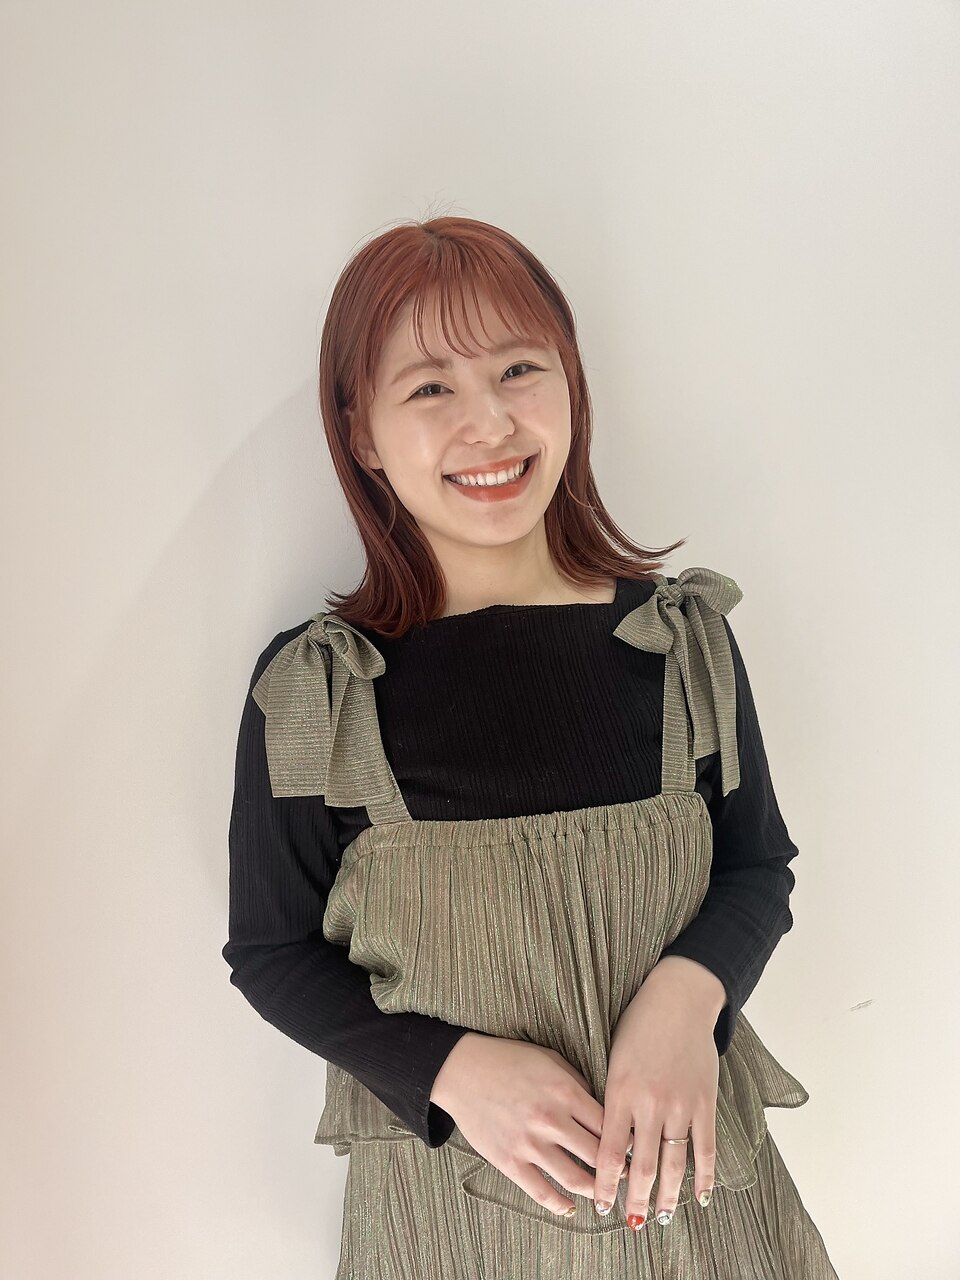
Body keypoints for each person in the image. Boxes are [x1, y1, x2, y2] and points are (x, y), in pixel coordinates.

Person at [222, 215, 839, 1277]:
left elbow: (756, 865)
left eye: (518, 369)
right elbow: (273, 952)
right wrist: (454, 1069)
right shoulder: (319, 688)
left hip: (697, 1208)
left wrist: (687, 997)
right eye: (430, 387)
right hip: (448, 1224)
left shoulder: (679, 638)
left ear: (570, 384)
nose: (490, 422)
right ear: (362, 432)